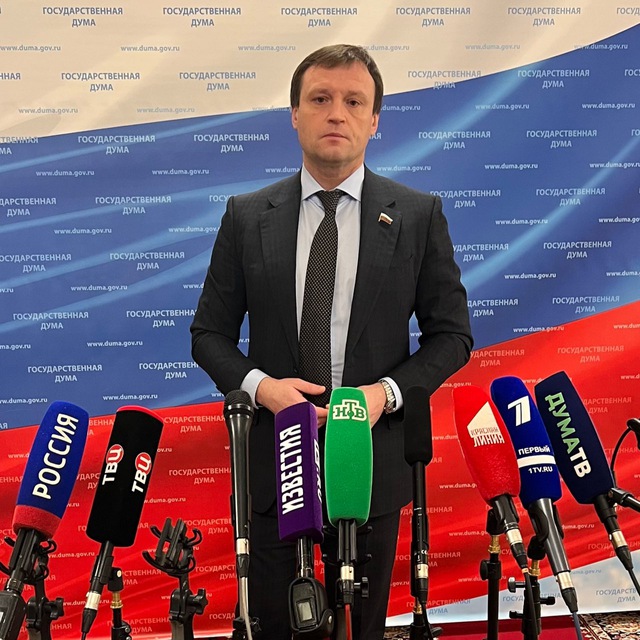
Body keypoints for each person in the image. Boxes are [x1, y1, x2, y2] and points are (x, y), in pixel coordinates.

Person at [191, 44, 473, 639]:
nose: (336, 113)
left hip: (368, 461)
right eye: (320, 99)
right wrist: (264, 389)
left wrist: (383, 396)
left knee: (359, 629)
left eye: (353, 102)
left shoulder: (418, 215)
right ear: (295, 114)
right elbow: (209, 335)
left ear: (374, 120)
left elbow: (451, 336)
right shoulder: (246, 215)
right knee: (279, 627)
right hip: (276, 461)